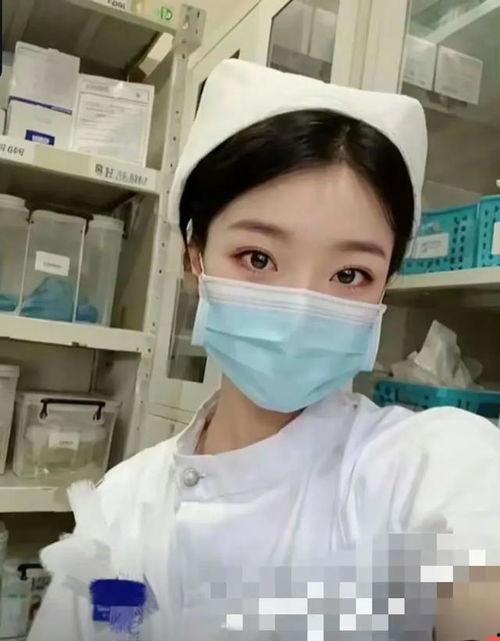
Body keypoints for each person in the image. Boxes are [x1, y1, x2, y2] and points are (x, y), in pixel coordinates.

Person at [29, 60, 500, 641]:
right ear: (195, 256)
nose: (300, 307)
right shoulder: (121, 506)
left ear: (385, 287)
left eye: (349, 274)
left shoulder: (431, 466)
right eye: (258, 258)